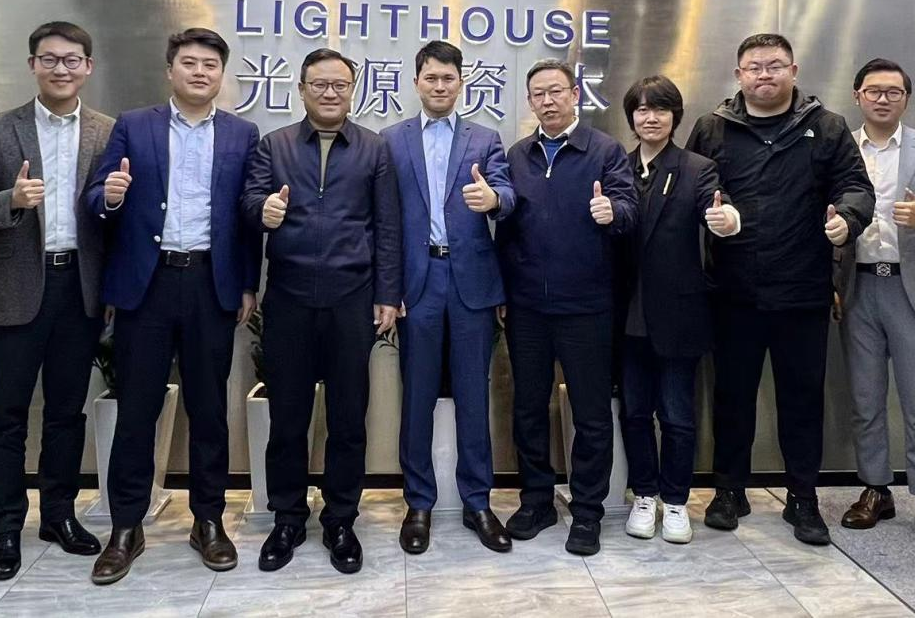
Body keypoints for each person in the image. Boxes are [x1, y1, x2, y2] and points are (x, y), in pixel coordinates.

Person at [85, 28, 261, 585]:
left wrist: (247, 284)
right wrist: (110, 197)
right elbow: (96, 197)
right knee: (137, 410)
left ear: (221, 75)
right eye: (190, 62)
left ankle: (208, 521)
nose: (200, 72)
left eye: (211, 64)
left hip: (211, 283)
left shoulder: (242, 133)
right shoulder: (134, 125)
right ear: (170, 70)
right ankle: (126, 526)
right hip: (148, 286)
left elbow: (248, 215)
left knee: (209, 410)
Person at [685, 33, 873, 545]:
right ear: (738, 74)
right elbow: (693, 186)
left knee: (802, 400)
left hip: (802, 290)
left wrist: (848, 219)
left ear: (793, 70)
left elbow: (856, 186)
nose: (764, 74)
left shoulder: (826, 126)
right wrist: (715, 211)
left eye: (774, 65)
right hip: (732, 290)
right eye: (754, 67)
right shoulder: (713, 127)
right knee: (732, 398)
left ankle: (803, 498)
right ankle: (729, 490)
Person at [0, 21, 114, 579]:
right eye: (50, 59)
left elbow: (113, 215)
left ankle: (59, 515)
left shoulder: (106, 131)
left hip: (80, 288)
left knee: (67, 412)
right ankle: (4, 526)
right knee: (7, 413)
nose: (61, 69)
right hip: (18, 285)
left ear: (87, 67)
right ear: (32, 65)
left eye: (72, 60)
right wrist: (12, 200)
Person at [242, 48, 401, 575]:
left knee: (348, 417)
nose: (330, 93)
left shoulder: (374, 148)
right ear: (302, 89)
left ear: (352, 90)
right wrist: (263, 210)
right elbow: (249, 203)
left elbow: (387, 226)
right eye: (319, 84)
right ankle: (287, 517)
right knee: (288, 417)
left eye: (340, 85)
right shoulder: (275, 145)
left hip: (352, 298)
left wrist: (387, 293)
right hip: (288, 298)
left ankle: (340, 520)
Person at [495, 58, 638, 557]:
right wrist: (503, 292)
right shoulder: (518, 155)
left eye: (557, 91)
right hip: (527, 307)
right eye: (538, 94)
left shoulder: (604, 150)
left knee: (591, 414)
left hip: (588, 305)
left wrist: (612, 211)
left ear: (575, 94)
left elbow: (630, 209)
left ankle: (588, 510)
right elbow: (505, 228)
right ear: (530, 101)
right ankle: (536, 501)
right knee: (529, 408)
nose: (548, 100)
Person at [381, 41, 516, 555]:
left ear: (461, 83)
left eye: (449, 78)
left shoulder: (485, 138)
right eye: (431, 77)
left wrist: (493, 199)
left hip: (471, 283)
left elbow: (507, 193)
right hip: (417, 284)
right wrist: (388, 289)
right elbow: (383, 221)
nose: (440, 86)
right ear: (417, 81)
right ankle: (418, 503)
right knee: (416, 397)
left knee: (472, 397)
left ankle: (477, 502)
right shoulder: (391, 140)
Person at [834, 58, 915, 554]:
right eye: (873, 90)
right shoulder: (841, 147)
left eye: (893, 91)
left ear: (906, 98)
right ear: (857, 96)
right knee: (865, 399)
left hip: (914, 291)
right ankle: (875, 489)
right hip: (858, 288)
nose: (883, 99)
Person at [614, 75, 740, 545]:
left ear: (675, 116)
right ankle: (644, 495)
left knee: (677, 416)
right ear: (631, 117)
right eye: (642, 110)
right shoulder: (618, 166)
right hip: (626, 313)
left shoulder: (696, 168)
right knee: (634, 413)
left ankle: (675, 500)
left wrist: (727, 220)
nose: (651, 118)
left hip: (678, 312)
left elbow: (720, 210)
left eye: (661, 109)